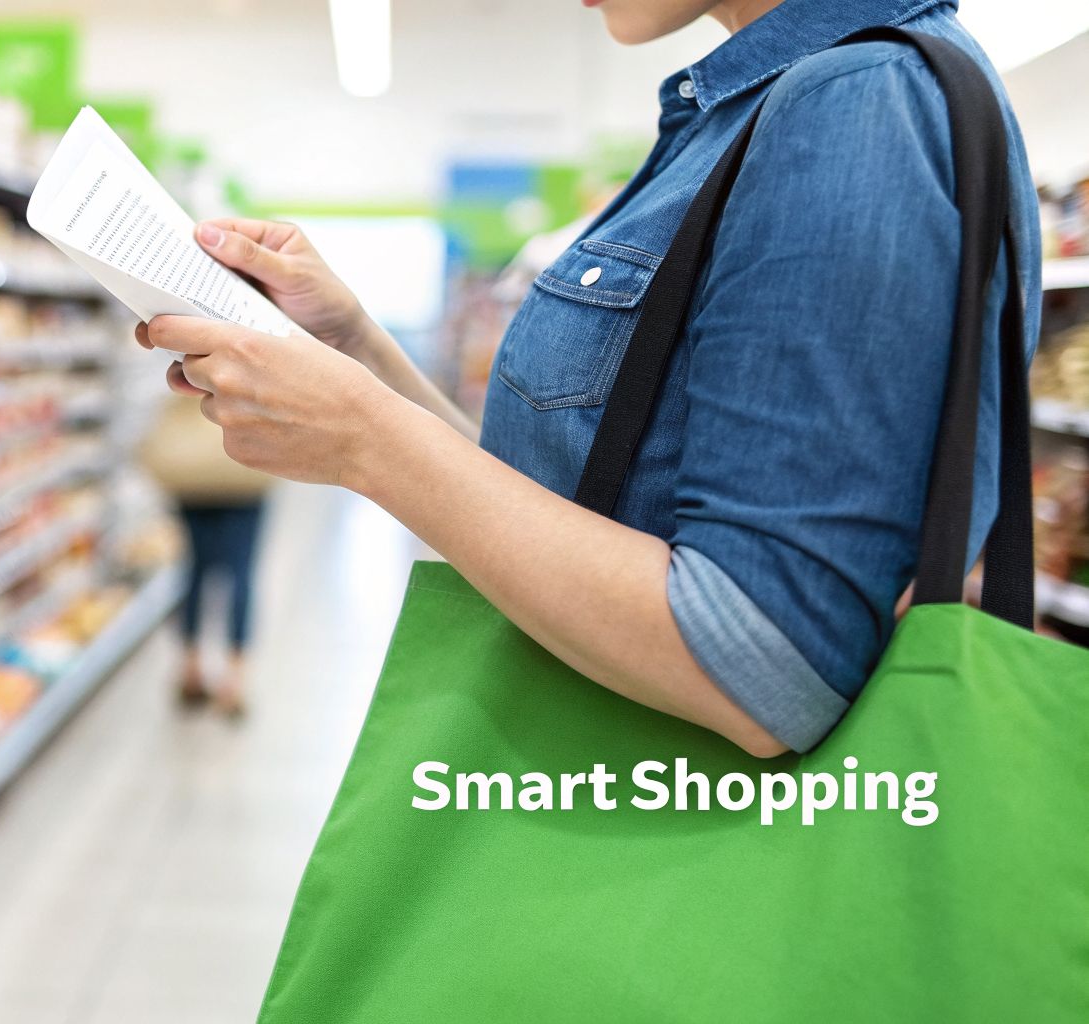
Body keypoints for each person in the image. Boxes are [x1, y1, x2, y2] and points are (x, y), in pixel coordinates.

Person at [136, 0, 1039, 757]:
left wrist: (367, 440)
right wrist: (355, 348)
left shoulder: (854, 105)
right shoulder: (751, 108)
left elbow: (768, 665)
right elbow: (573, 502)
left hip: (674, 845)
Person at [139, 393, 272, 716]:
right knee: (241, 573)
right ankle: (234, 678)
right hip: (243, 473)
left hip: (193, 471)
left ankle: (190, 667)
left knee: (193, 571)